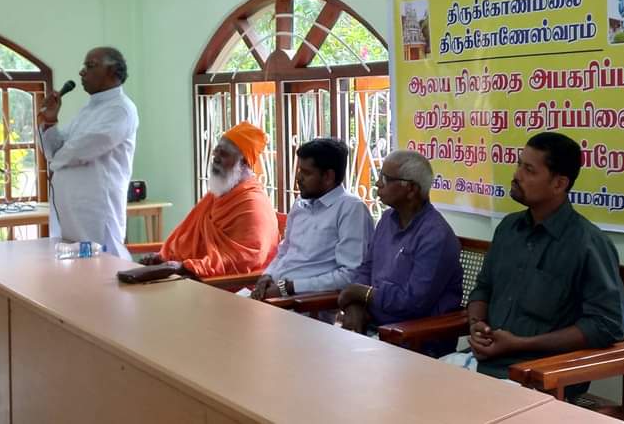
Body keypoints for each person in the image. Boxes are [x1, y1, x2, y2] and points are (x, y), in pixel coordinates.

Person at [462, 132, 624, 380]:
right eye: (519, 164)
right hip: (481, 362)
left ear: (559, 184)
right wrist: (477, 325)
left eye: (529, 170)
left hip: (540, 375)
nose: (517, 175)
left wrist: (520, 345)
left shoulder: (588, 243)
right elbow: (483, 289)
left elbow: (607, 325)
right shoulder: (508, 228)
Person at [337, 150, 463, 356]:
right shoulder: (387, 219)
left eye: (386, 179)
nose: (378, 184)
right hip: (375, 327)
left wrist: (361, 293)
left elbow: (413, 303)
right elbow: (366, 269)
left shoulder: (435, 235)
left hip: (414, 339)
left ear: (411, 189)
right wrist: (355, 306)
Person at [139, 121, 279, 278]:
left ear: (243, 162)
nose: (216, 159)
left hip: (230, 285)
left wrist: (184, 267)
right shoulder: (217, 195)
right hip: (196, 277)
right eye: (216, 153)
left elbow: (242, 260)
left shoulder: (253, 206)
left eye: (224, 155)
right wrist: (162, 257)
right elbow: (188, 239)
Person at [39, 47, 138, 260]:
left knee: (102, 267)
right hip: (72, 209)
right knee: (76, 272)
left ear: (112, 71)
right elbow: (55, 149)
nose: (82, 72)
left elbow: (82, 149)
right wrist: (50, 120)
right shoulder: (88, 110)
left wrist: (56, 162)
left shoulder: (120, 109)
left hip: (96, 209)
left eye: (90, 66)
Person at [251, 138, 374, 301]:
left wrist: (289, 288)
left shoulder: (351, 209)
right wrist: (267, 275)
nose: (298, 177)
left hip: (305, 304)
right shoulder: (300, 204)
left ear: (328, 176)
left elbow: (350, 276)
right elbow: (284, 251)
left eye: (306, 173)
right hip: (275, 293)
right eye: (299, 170)